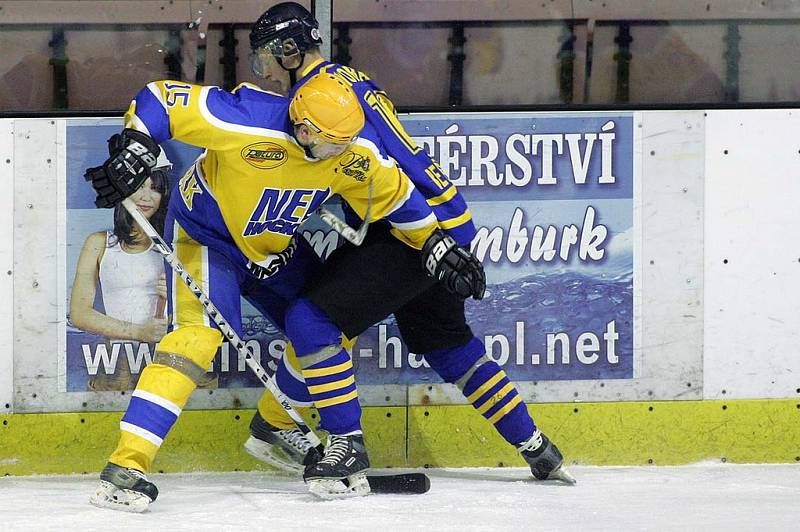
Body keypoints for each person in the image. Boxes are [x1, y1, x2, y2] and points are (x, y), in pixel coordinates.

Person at [84, 70, 483, 510]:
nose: (344, 152)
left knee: (325, 323)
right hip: (205, 239)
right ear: (304, 128)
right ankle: (127, 466)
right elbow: (161, 98)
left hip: (274, 248)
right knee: (196, 339)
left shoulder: (350, 150)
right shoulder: (249, 118)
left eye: (349, 140)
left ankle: (275, 425)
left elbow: (399, 198)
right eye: (335, 142)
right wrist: (136, 144)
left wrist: (435, 244)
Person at [243, 2, 573, 488]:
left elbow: (364, 171)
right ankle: (537, 447)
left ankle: (332, 443)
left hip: (411, 227)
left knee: (312, 319)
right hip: (446, 218)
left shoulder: (314, 100)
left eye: (266, 57)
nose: (264, 69)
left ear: (290, 50)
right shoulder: (349, 79)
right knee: (446, 341)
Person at [69, 152, 171, 391]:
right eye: (139, 186)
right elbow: (79, 313)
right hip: (114, 360)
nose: (146, 196)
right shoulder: (98, 243)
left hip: (164, 359)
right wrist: (139, 332)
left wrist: (177, 297)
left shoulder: (174, 248)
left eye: (154, 188)